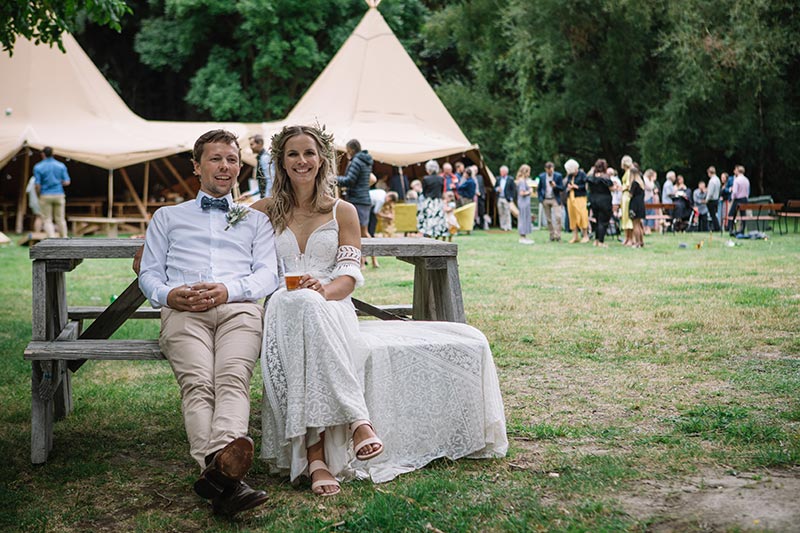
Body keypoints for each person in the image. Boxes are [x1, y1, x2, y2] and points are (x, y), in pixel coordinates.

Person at [254, 124, 507, 492]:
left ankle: (315, 457)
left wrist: (323, 291)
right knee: (300, 305)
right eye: (292, 154)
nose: (301, 160)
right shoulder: (262, 211)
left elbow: (348, 276)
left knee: (310, 308)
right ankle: (358, 420)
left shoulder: (343, 212)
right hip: (281, 306)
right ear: (280, 161)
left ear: (322, 159)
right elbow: (216, 234)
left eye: (309, 153)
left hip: (331, 304)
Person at [138, 129, 279, 517]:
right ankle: (226, 476)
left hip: (240, 308)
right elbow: (148, 273)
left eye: (232, 160)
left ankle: (216, 476)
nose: (225, 166)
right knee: (198, 383)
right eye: (216, 159)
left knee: (232, 378)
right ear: (197, 167)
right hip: (184, 311)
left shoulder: (255, 221)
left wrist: (228, 290)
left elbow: (268, 275)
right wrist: (169, 295)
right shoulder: (167, 217)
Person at [337, 139, 373, 247]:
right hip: (364, 199)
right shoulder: (365, 161)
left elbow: (350, 180)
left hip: (357, 199)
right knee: (364, 231)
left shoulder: (356, 161)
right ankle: (371, 260)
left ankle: (363, 261)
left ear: (351, 149)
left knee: (360, 232)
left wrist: (334, 179)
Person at [34, 146, 71, 238]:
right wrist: (58, 182)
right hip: (59, 193)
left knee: (47, 219)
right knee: (60, 219)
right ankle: (64, 238)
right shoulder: (61, 165)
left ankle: (52, 238)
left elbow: (37, 184)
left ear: (43, 154)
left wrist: (38, 194)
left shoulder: (38, 167)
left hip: (45, 194)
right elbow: (67, 182)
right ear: (53, 154)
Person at [417, 160, 448, 239]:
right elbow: (442, 191)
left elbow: (424, 192)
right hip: (438, 201)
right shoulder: (441, 179)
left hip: (429, 201)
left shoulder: (426, 179)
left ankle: (428, 233)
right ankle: (438, 234)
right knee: (439, 219)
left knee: (428, 219)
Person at [587, 159, 613, 247]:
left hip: (594, 200)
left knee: (597, 221)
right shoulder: (605, 177)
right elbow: (611, 187)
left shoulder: (591, 177)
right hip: (604, 200)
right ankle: (601, 241)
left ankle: (596, 240)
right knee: (603, 221)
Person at [563, 159, 590, 243]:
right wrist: (569, 187)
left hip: (580, 197)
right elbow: (567, 184)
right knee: (572, 216)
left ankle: (585, 235)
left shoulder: (582, 174)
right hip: (570, 198)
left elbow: (586, 186)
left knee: (582, 215)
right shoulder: (570, 176)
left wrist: (576, 186)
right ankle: (575, 236)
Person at [537, 162, 564, 242]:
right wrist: (540, 199)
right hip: (546, 199)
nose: (550, 171)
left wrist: (555, 186)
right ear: (545, 169)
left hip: (555, 198)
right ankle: (551, 235)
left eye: (551, 170)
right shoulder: (542, 176)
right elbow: (539, 189)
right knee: (548, 219)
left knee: (558, 217)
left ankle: (558, 235)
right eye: (548, 170)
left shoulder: (558, 176)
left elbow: (562, 188)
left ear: (553, 169)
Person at [250, 134, 275, 198]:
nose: (251, 147)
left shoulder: (265, 158)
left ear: (260, 144)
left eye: (252, 144)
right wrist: (250, 193)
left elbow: (270, 180)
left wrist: (266, 199)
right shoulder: (261, 158)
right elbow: (263, 183)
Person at [727, 165, 750, 235]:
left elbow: (735, 192)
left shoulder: (737, 180)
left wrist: (732, 198)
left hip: (738, 199)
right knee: (743, 215)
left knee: (731, 214)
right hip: (745, 199)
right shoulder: (746, 180)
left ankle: (730, 229)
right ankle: (742, 230)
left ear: (738, 171)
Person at [515, 164, 533, 244]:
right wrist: (529, 191)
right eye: (528, 172)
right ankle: (522, 237)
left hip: (524, 202)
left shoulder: (522, 180)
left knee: (525, 219)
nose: (529, 173)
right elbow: (522, 193)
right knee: (523, 219)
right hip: (523, 203)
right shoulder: (522, 181)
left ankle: (524, 236)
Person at [629, 167, 646, 248]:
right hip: (641, 204)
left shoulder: (634, 183)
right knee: (639, 224)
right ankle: (641, 242)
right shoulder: (641, 183)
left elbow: (630, 195)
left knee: (635, 225)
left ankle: (637, 242)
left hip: (634, 205)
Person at [495, 165, 515, 231]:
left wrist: (511, 198)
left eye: (502, 171)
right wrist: (497, 189)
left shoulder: (510, 179)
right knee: (501, 213)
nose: (501, 173)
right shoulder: (498, 179)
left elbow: (513, 189)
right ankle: (502, 226)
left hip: (507, 198)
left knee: (507, 213)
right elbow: (495, 188)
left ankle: (508, 226)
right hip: (500, 197)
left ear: (506, 172)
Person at [619, 156, 634, 246]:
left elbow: (628, 185)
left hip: (627, 195)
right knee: (624, 217)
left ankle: (630, 238)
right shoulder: (627, 172)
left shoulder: (629, 172)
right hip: (624, 196)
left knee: (627, 217)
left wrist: (621, 188)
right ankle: (627, 238)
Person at [706, 166, 721, 231]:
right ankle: (717, 227)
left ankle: (716, 227)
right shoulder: (717, 179)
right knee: (715, 214)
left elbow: (710, 192)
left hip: (712, 200)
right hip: (716, 199)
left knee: (713, 215)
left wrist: (707, 200)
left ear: (709, 172)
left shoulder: (712, 181)